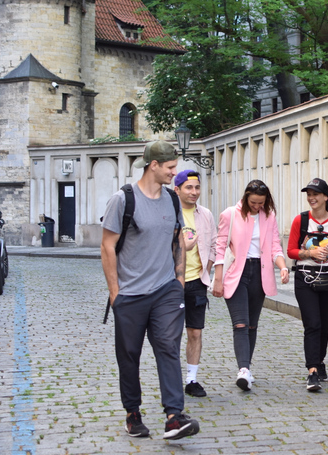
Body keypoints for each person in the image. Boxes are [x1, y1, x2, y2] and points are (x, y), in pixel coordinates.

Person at [100, 140, 200, 440]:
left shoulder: (172, 200)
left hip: (166, 291)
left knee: (168, 348)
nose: (174, 172)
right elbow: (107, 246)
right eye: (170, 167)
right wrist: (115, 293)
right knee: (129, 356)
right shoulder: (123, 200)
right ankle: (133, 414)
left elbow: (178, 240)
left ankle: (173, 416)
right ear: (153, 165)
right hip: (130, 294)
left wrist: (178, 281)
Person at [212, 179, 289, 390]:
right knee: (240, 324)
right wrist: (218, 279)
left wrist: (282, 267)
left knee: (252, 325)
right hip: (237, 273)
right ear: (246, 197)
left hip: (260, 274)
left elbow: (275, 246)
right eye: (254, 202)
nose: (257, 206)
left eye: (261, 203)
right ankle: (243, 370)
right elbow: (219, 248)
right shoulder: (230, 214)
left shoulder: (269, 216)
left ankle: (247, 367)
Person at [287, 178, 328, 392]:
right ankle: (312, 371)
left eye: (316, 194)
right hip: (305, 277)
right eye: (309, 194)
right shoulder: (300, 221)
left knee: (324, 323)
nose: (311, 198)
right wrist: (310, 253)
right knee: (312, 323)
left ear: (325, 197)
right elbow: (291, 251)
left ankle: (319, 361)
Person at [174, 170, 217, 398]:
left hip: (197, 282)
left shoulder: (206, 214)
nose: (194, 192)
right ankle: (171, 380)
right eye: (189, 187)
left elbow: (213, 245)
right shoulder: (169, 213)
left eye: (197, 187)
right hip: (171, 283)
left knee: (195, 332)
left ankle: (192, 380)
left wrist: (207, 270)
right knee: (170, 334)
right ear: (177, 189)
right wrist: (182, 247)